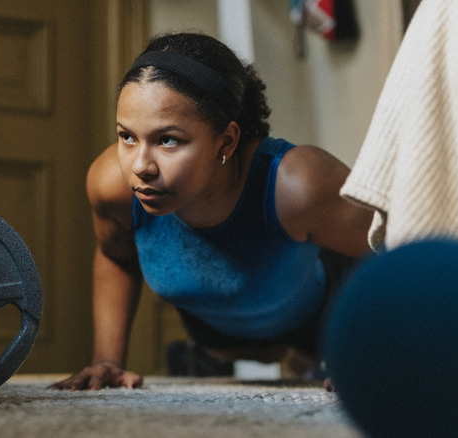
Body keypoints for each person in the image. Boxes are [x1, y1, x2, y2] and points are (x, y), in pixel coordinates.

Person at [50, 32, 372, 391]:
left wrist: (372, 351)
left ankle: (311, 358)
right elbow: (116, 256)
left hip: (316, 320)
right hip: (212, 333)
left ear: (228, 141)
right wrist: (107, 361)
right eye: (127, 136)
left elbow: (393, 256)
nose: (140, 166)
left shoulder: (299, 184)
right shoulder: (112, 184)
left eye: (167, 139)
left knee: (309, 357)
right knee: (235, 356)